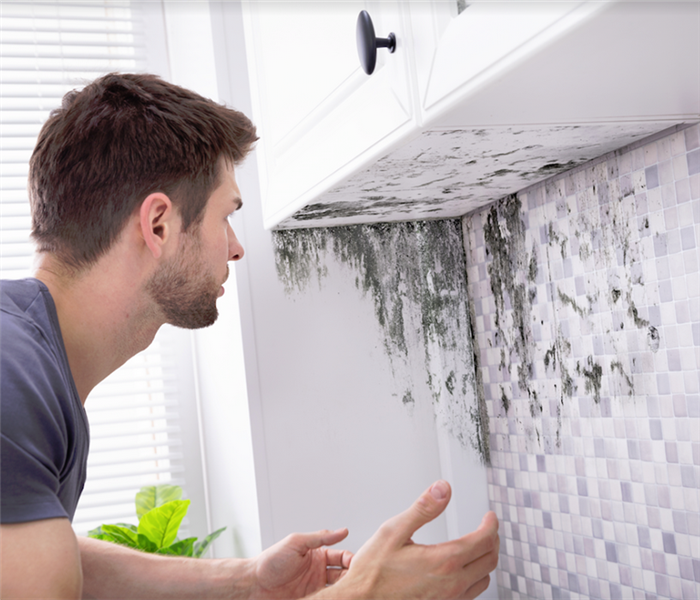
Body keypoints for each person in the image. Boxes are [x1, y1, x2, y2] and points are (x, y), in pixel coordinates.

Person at [0, 73, 499, 599]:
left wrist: (245, 583)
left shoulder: (25, 360)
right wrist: (365, 593)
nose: (235, 248)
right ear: (159, 225)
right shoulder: (14, 381)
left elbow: (45, 556)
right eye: (226, 216)